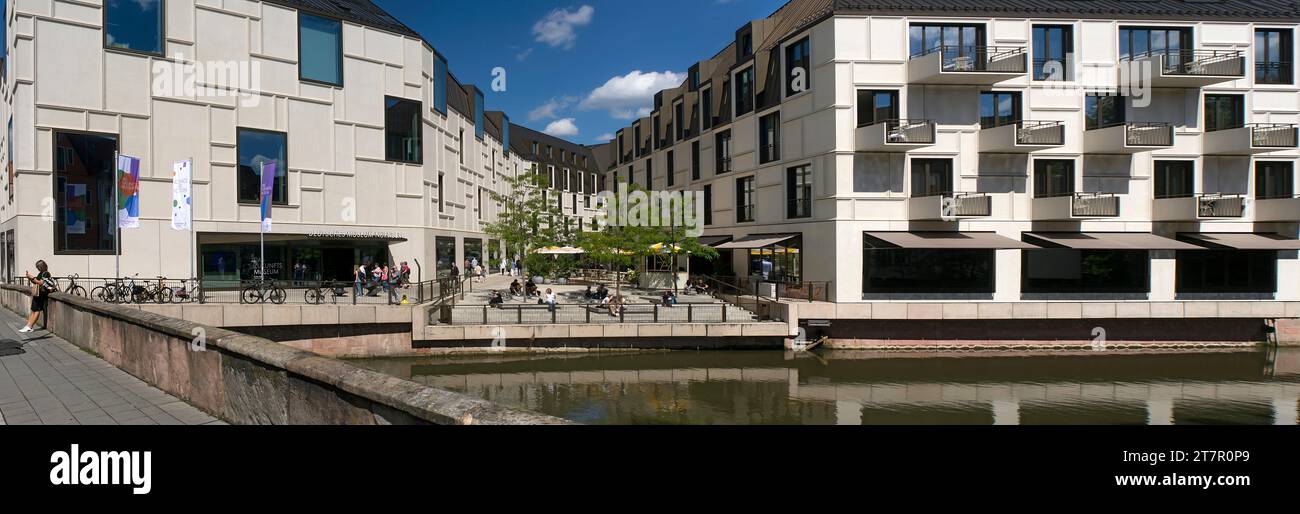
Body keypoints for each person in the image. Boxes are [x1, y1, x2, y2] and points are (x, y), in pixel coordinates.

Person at [21, 260, 56, 333]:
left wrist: (32, 278)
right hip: (38, 293)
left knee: (37, 310)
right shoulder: (41, 273)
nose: (38, 269)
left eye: (38, 267)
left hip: (41, 294)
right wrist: (30, 278)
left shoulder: (46, 273)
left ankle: (30, 326)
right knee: (33, 309)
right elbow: (36, 281)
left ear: (42, 267)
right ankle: (28, 325)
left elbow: (40, 283)